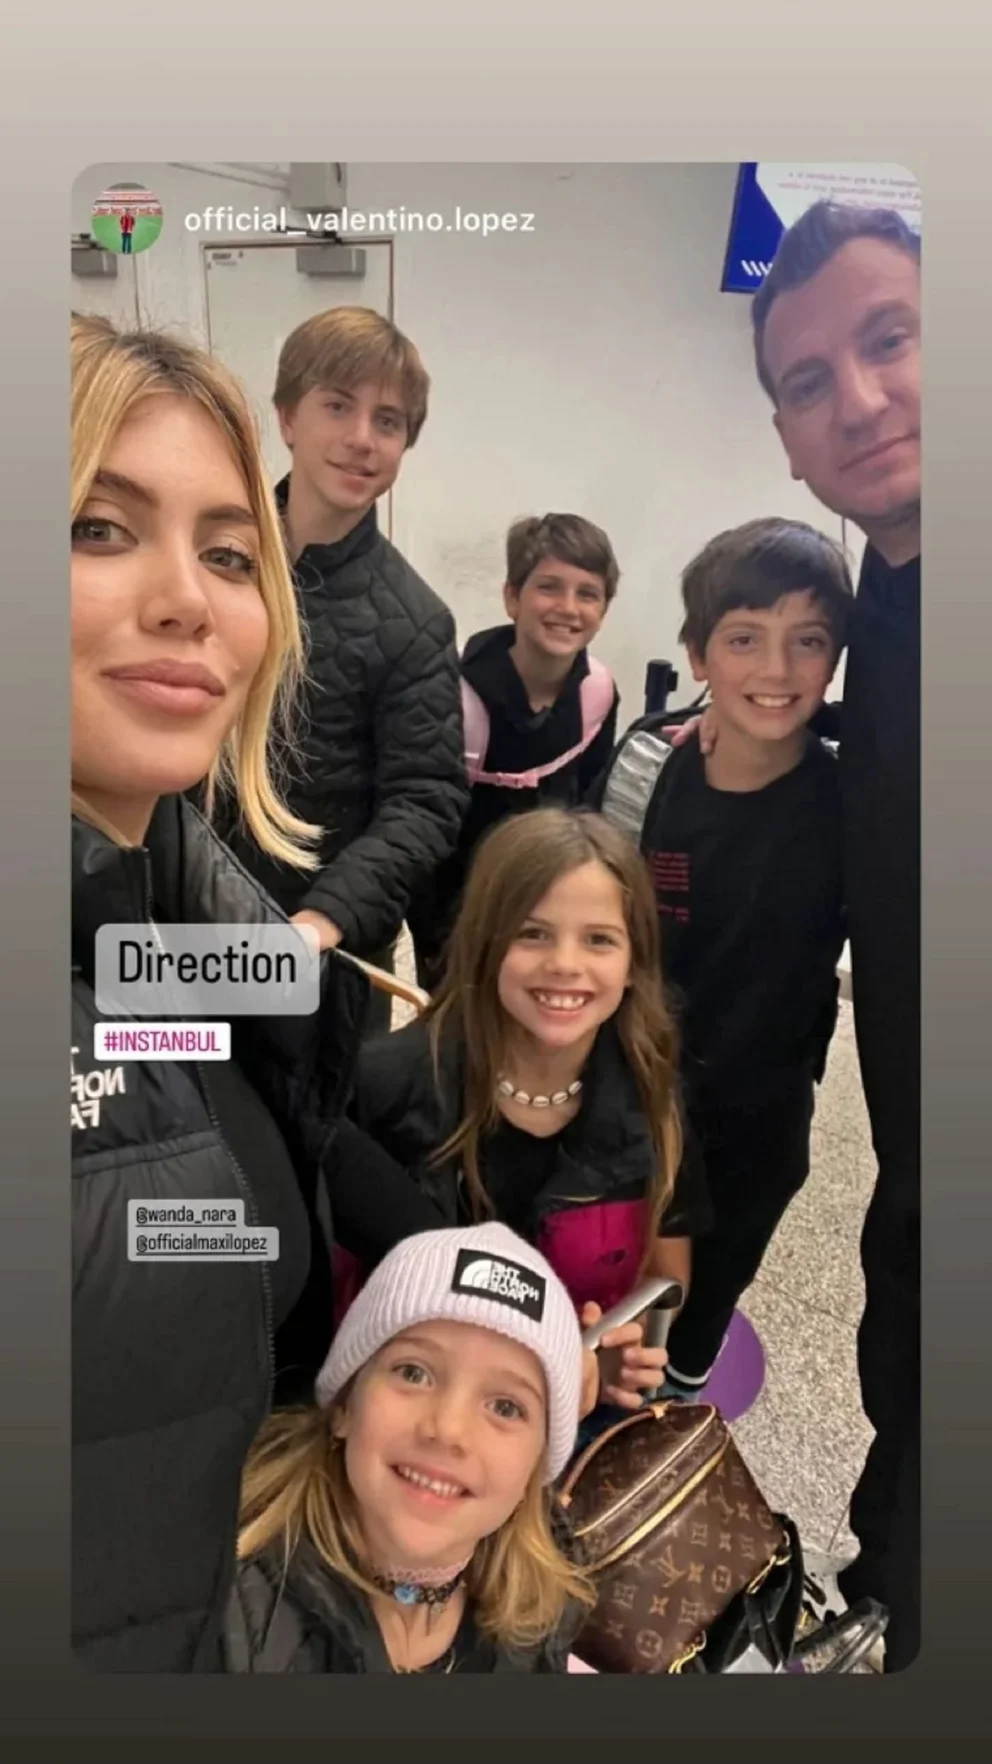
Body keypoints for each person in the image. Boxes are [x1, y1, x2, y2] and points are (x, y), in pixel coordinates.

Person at [70, 313, 440, 1671]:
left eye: (228, 555)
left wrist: (466, 1270)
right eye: (97, 528)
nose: (189, 599)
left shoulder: (156, 919)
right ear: (294, 416)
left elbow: (224, 1176)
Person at [670, 201, 921, 1669]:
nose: (864, 400)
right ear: (784, 433)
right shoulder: (883, 594)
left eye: (894, 340)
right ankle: (889, 1595)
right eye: (813, 379)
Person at [595, 517, 852, 1401]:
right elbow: (591, 914)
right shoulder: (648, 764)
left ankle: (678, 1399)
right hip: (630, 1087)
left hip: (759, 1113)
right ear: (699, 655)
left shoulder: (855, 792)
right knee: (617, 1295)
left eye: (807, 642)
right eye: (744, 639)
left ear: (836, 658)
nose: (776, 671)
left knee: (702, 1309)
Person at [349, 808, 711, 1434]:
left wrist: (610, 1347)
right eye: (533, 933)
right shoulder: (385, 1087)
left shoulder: (654, 1104)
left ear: (634, 964)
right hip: (405, 1418)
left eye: (599, 939)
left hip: (566, 1417)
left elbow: (666, 1276)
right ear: (486, 946)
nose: (565, 963)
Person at [213, 305, 469, 1032]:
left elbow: (425, 799)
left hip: (319, 953)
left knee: (315, 1108)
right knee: (167, 1084)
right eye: (337, 406)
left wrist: (322, 921)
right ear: (287, 416)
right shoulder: (207, 560)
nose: (362, 438)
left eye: (388, 421)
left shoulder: (416, 622)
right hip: (182, 920)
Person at [225, 1222, 595, 1672]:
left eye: (505, 1406)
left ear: (534, 1470)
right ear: (344, 1405)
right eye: (413, 1373)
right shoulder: (229, 1614)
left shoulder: (543, 1610)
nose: (449, 1430)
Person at [408, 514, 620, 988]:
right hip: (456, 915)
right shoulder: (453, 697)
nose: (568, 607)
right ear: (512, 598)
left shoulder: (598, 693)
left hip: (550, 908)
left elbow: (592, 807)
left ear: (604, 610)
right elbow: (424, 822)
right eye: (549, 587)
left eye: (588, 593)